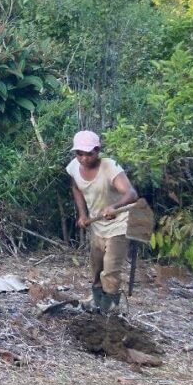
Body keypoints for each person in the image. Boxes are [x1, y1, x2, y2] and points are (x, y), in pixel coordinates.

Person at [66, 131, 138, 314]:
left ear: (97, 150)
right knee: (97, 266)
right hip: (97, 225)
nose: (84, 158)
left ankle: (110, 309)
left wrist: (114, 206)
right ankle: (97, 302)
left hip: (119, 223)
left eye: (89, 154)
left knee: (111, 267)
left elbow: (131, 194)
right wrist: (82, 214)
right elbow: (76, 188)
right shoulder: (74, 167)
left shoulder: (110, 167)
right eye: (79, 153)